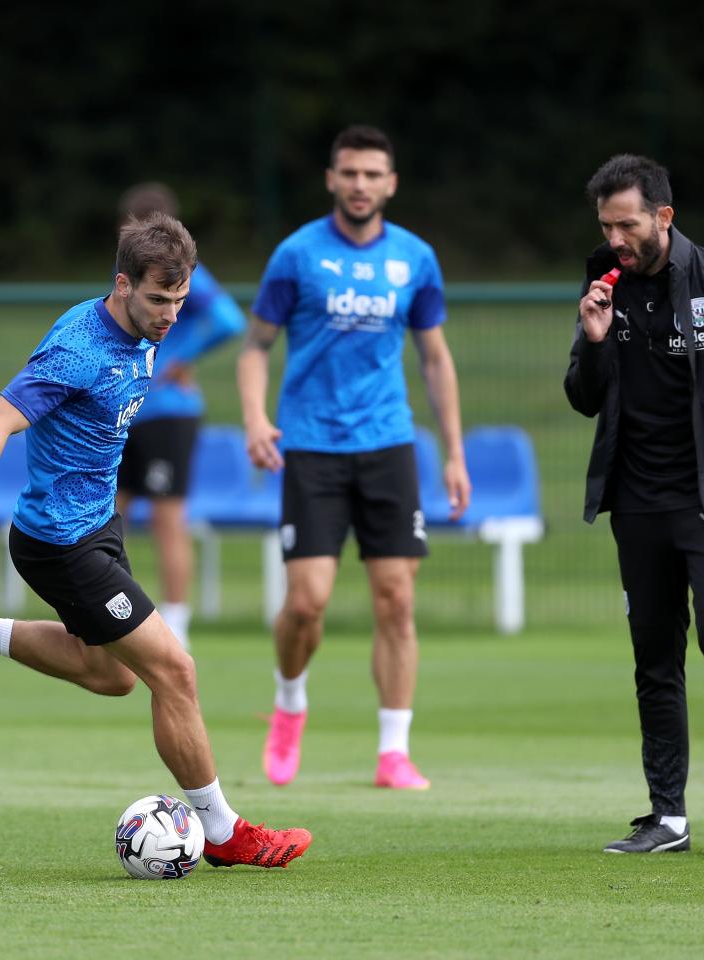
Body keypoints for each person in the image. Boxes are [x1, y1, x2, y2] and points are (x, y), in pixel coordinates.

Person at [0, 212, 312, 869]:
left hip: (96, 530)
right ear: (121, 285)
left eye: (179, 300)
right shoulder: (76, 350)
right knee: (175, 671)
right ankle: (226, 834)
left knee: (112, 678)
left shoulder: (146, 329)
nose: (171, 316)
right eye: (158, 301)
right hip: (60, 543)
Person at [237, 125, 470, 790]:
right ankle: (288, 704)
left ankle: (393, 752)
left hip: (388, 444)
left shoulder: (415, 260)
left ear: (391, 183)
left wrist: (454, 452)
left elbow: (434, 357)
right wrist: (256, 418)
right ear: (331, 179)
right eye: (349, 173)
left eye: (373, 174)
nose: (360, 184)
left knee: (396, 600)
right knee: (306, 603)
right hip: (309, 446)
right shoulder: (297, 255)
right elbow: (255, 346)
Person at [565, 154, 704, 856]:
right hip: (638, 499)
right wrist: (592, 341)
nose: (616, 239)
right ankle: (667, 818)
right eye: (607, 226)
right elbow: (584, 396)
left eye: (628, 225)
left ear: (664, 217)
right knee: (654, 651)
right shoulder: (604, 283)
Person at [114, 183, 246, 650]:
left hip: (168, 417)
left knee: (168, 519)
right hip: (125, 414)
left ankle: (176, 628)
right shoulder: (129, 279)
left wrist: (176, 360)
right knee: (109, 517)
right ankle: (109, 615)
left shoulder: (178, 271)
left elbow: (230, 319)